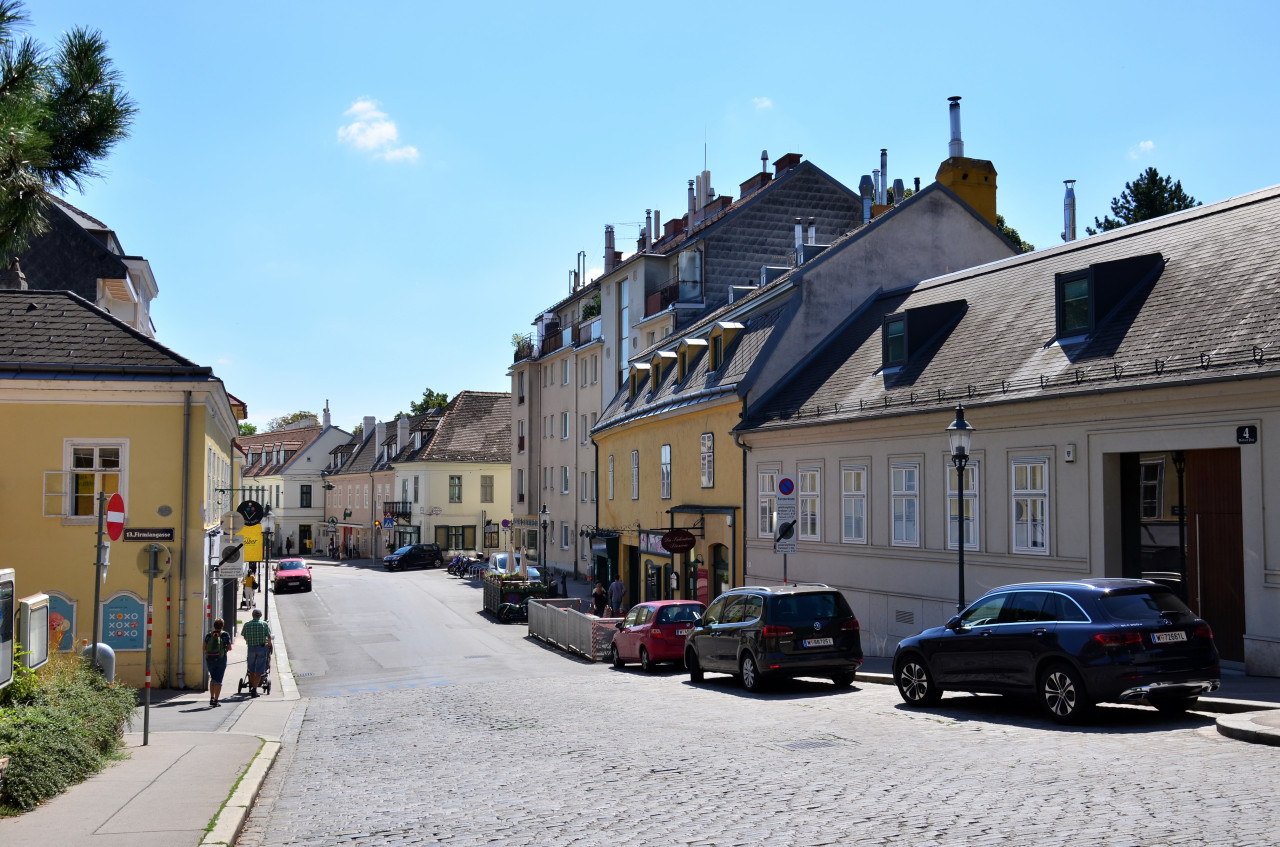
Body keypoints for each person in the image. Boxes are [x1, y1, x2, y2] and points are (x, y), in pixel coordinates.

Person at [240, 608, 273, 697]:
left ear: (252, 615)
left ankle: (251, 685)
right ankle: (254, 689)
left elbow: (244, 636)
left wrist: (250, 641)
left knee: (251, 669)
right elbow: (269, 637)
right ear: (260, 616)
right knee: (259, 669)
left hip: (251, 648)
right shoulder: (264, 624)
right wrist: (268, 644)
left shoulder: (247, 624)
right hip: (261, 648)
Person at [203, 618, 231, 707]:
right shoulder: (225, 635)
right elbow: (229, 648)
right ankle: (216, 700)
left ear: (214, 626)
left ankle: (211, 698)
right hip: (221, 659)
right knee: (219, 680)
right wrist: (224, 649)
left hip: (210, 659)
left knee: (213, 678)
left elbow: (204, 648)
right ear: (222, 626)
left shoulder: (209, 635)